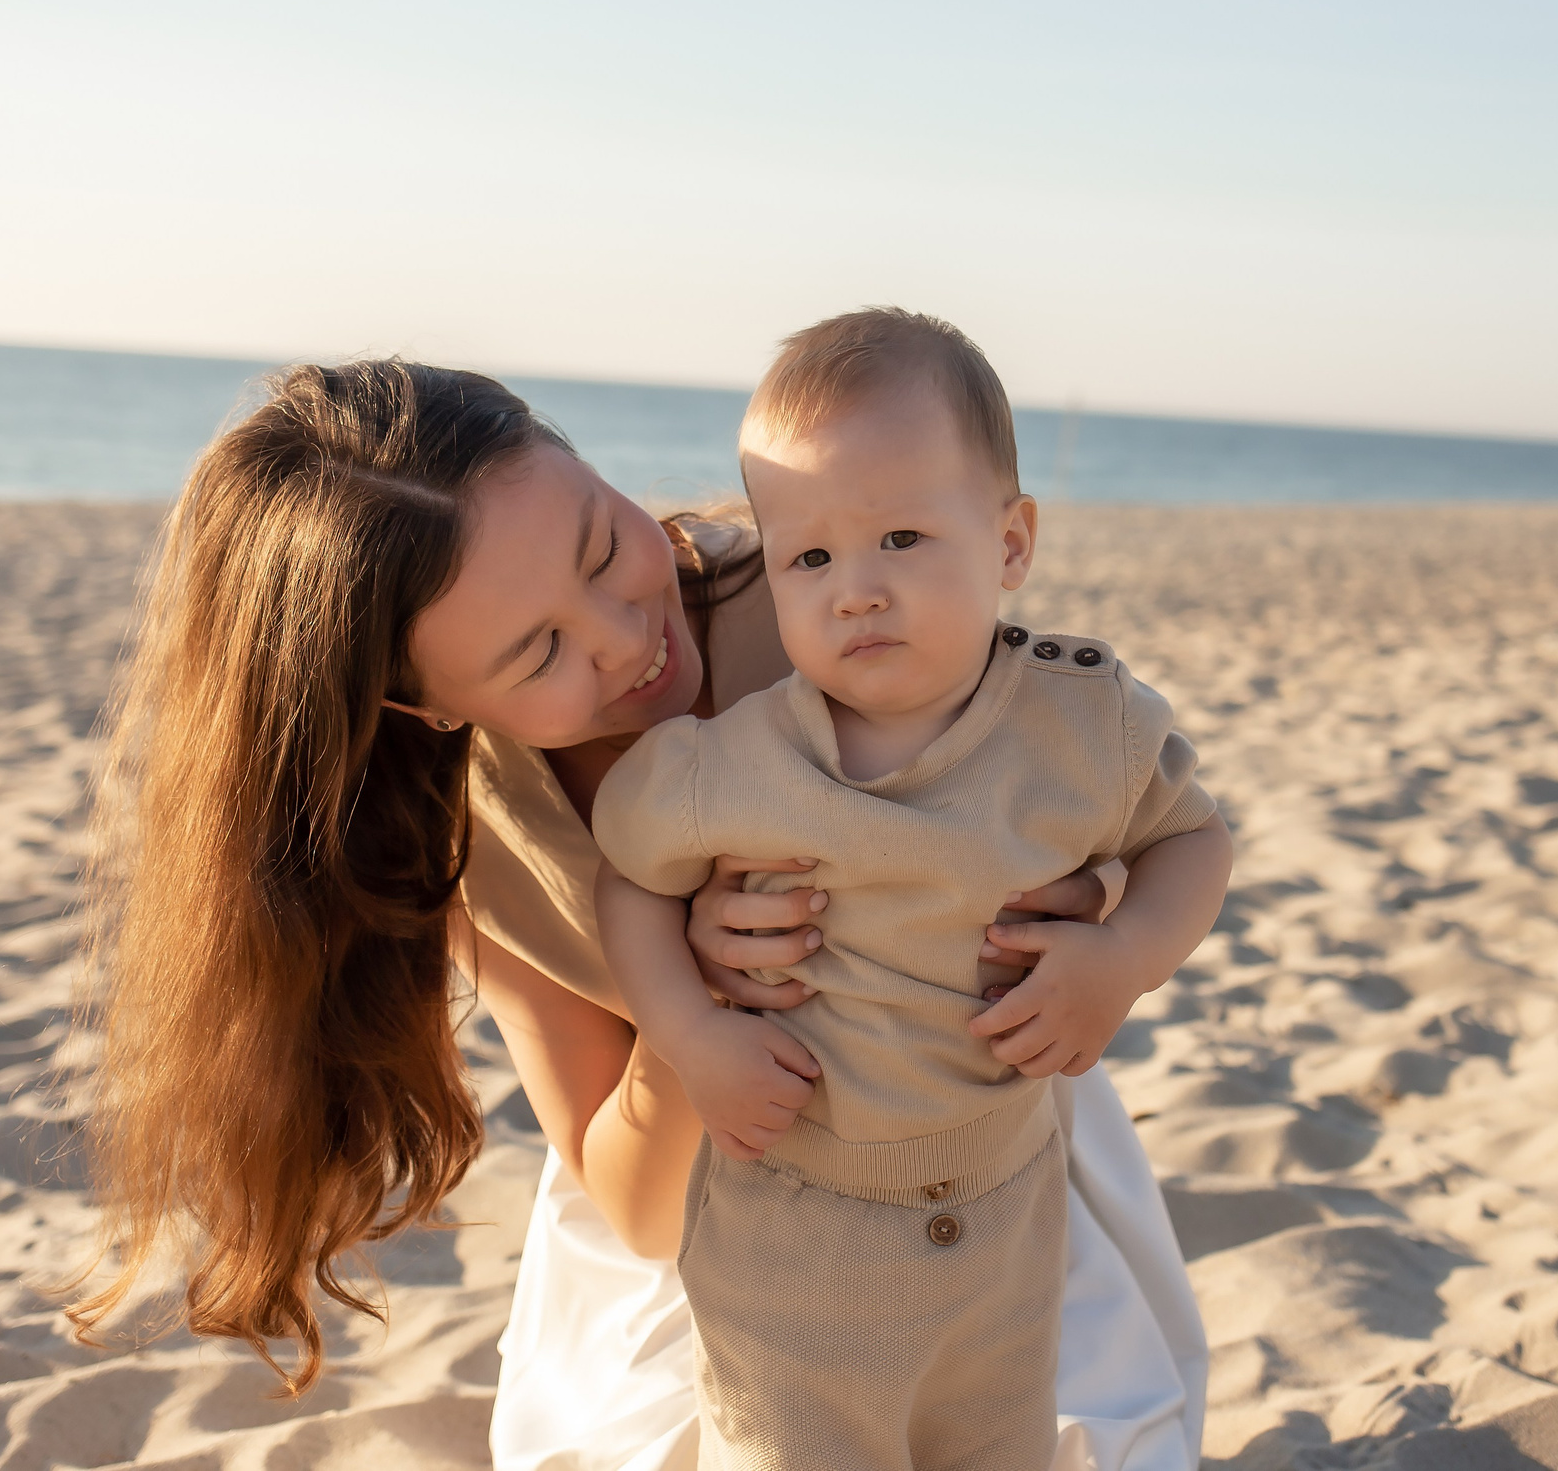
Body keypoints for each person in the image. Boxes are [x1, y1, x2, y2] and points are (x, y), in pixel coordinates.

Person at [70, 354, 1215, 1470]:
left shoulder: (829, 597)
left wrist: (1098, 920)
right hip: (712, 1174)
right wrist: (693, 1010)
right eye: (536, 655)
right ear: (417, 703)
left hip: (963, 1132)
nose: (625, 639)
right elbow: (640, 1214)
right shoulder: (476, 847)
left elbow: (1088, 799)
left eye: (603, 546)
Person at [591, 311, 1232, 1469]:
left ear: (1010, 542)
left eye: (900, 536)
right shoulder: (731, 765)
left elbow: (1193, 839)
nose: (856, 591)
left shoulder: (1084, 724)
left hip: (1007, 1225)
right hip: (794, 1249)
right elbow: (627, 885)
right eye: (811, 557)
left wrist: (1126, 956)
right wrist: (688, 1030)